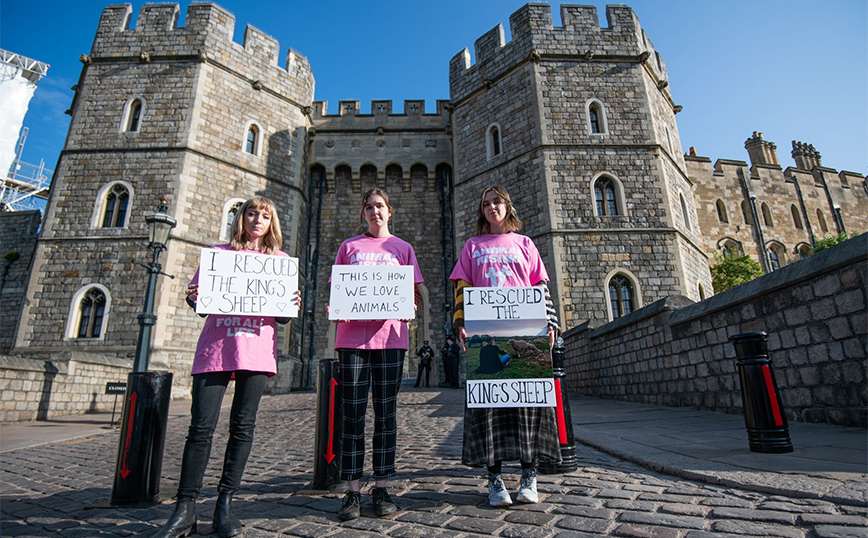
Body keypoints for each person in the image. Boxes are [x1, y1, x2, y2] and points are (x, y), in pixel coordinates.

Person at [155, 196, 300, 538]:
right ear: (241, 217)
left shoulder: (278, 262)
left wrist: (290, 303)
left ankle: (225, 505)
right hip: (216, 349)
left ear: (271, 223)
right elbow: (202, 304)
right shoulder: (218, 255)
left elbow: (280, 317)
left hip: (255, 351)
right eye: (251, 213)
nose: (257, 220)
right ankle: (185, 507)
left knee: (242, 429)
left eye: (265, 215)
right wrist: (194, 297)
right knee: (200, 429)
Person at [450, 185, 561, 507]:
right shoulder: (472, 246)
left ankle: (529, 476)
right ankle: (495, 480)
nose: (491, 207)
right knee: (490, 410)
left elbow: (539, 286)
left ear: (507, 206)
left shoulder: (525, 243)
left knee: (527, 408)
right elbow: (462, 289)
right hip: (486, 335)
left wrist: (549, 325)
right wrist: (462, 325)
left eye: (496, 201)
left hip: (525, 326)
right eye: (486, 203)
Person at [330, 188, 424, 521]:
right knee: (352, 416)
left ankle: (381, 486)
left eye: (380, 206)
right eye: (369, 207)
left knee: (386, 416)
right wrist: (336, 306)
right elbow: (338, 290)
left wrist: (410, 305)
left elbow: (413, 293)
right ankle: (352, 491)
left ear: (390, 211)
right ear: (363, 213)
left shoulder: (403, 249)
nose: (374, 212)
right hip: (352, 341)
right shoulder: (348, 247)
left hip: (390, 341)